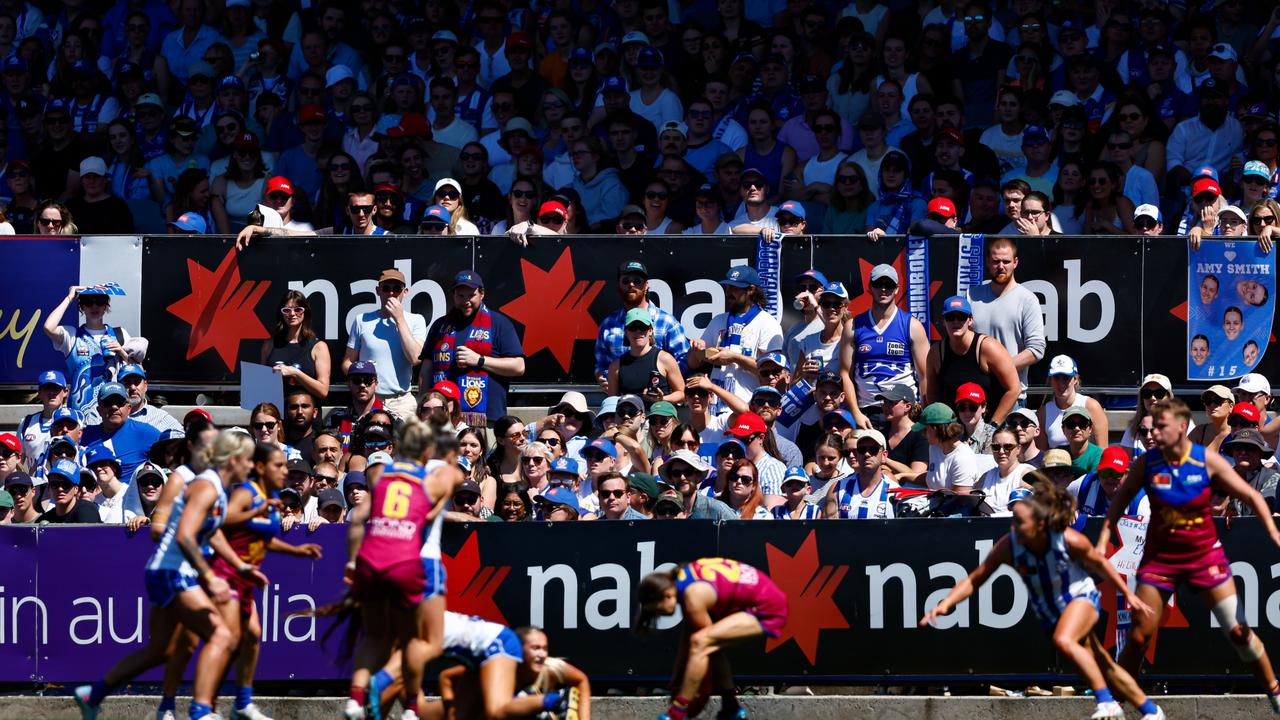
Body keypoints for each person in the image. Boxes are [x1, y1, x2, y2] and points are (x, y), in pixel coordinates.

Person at [922, 477, 1164, 720]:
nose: (1013, 527)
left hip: (1081, 597)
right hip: (1051, 612)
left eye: (1020, 522)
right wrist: (947, 603)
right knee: (1104, 664)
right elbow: (975, 580)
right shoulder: (1009, 545)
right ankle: (1151, 711)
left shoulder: (1068, 539)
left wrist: (1129, 594)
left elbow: (1101, 564)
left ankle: (1106, 702)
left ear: (1040, 525)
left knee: (1064, 639)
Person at [1095, 399, 1280, 714]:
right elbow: (1123, 496)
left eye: (1161, 427)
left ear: (1182, 428)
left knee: (1238, 631)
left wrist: (1274, 534)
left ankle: (1274, 693)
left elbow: (1250, 495)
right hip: (1160, 560)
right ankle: (1116, 702)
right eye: (1150, 428)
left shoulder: (1206, 461)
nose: (1152, 434)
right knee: (1139, 634)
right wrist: (1102, 536)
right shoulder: (1147, 463)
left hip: (1204, 557)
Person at [75, 431, 255, 720]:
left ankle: (92, 695)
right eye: (248, 461)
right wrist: (211, 577)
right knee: (222, 636)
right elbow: (184, 535)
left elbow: (213, 532)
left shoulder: (216, 488)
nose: (251, 467)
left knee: (159, 651)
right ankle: (200, 711)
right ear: (233, 460)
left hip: (163, 571)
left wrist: (239, 565)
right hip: (173, 573)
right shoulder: (206, 487)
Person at [339, 418, 463, 720]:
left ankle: (357, 698)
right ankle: (408, 704)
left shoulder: (384, 475)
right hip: (415, 561)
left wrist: (352, 561)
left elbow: (357, 518)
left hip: (373, 557)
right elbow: (437, 502)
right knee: (420, 642)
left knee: (376, 637)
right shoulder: (436, 476)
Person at [205, 443, 322, 720]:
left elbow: (265, 540)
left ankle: (242, 704)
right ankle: (203, 708)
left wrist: (296, 551)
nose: (284, 471)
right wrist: (258, 509)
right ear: (259, 467)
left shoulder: (269, 496)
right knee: (229, 640)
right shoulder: (247, 493)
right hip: (225, 574)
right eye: (278, 465)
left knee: (253, 635)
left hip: (245, 577)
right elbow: (223, 520)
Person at [636, 558, 789, 720]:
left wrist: (686, 691)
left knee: (702, 642)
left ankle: (677, 713)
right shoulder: (685, 579)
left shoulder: (692, 596)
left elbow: (700, 644)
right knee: (705, 642)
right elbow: (693, 642)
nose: (658, 615)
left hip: (768, 609)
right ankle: (731, 707)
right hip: (765, 600)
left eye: (656, 610)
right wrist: (677, 678)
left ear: (667, 595)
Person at [419, 270, 525, 428]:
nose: (466, 301)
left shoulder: (498, 323)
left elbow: (518, 367)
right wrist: (421, 407)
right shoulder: (440, 325)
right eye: (460, 296)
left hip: (486, 419)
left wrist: (479, 360)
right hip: (442, 418)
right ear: (453, 295)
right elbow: (426, 370)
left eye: (471, 295)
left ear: (482, 294)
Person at [841, 264, 929, 423]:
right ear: (869, 287)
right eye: (878, 284)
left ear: (897, 289)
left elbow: (926, 375)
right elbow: (845, 374)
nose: (883, 289)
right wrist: (856, 413)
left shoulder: (912, 326)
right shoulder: (853, 326)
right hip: (867, 412)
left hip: (904, 411)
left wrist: (922, 414)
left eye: (888, 285)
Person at [689, 265, 784, 407]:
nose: (729, 292)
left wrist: (735, 357)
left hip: (749, 404)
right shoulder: (718, 320)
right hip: (715, 405)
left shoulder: (768, 323)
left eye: (735, 288)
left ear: (751, 290)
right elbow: (693, 363)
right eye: (727, 287)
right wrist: (697, 351)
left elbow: (774, 373)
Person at [966, 237, 1046, 401]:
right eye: (996, 261)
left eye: (1006, 261)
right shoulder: (971, 296)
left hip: (1012, 397)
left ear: (1015, 262)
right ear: (988, 262)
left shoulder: (1027, 300)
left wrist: (999, 367)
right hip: (975, 398)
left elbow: (1036, 349)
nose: (1001, 267)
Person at [41, 284, 137, 420]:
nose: (94, 307)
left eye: (99, 302)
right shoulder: (72, 335)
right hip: (79, 415)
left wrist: (121, 351)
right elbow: (48, 327)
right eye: (88, 303)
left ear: (106, 306)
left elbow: (137, 370)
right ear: (81, 307)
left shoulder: (120, 334)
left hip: (112, 412)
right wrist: (70, 297)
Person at [343, 269, 427, 422]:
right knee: (368, 444)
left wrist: (399, 318)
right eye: (386, 288)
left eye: (397, 289)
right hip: (370, 400)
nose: (391, 293)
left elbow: (415, 358)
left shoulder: (416, 320)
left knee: (405, 446)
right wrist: (361, 376)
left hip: (401, 401)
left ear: (405, 292)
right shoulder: (362, 320)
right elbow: (347, 362)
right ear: (378, 290)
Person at [926, 295, 1020, 426]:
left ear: (970, 320)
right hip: (954, 431)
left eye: (961, 317)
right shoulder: (936, 352)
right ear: (943, 321)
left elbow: (1014, 389)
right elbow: (932, 393)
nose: (956, 321)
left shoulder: (988, 347)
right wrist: (943, 424)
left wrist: (993, 426)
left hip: (989, 426)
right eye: (950, 317)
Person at [80, 382, 163, 485]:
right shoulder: (83, 435)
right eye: (108, 402)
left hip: (130, 498)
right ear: (99, 410)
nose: (114, 407)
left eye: (119, 402)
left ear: (129, 408)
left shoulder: (145, 433)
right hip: (90, 496)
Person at [260, 289, 331, 401]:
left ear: (305, 312)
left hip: (305, 415)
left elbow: (323, 391)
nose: (292, 314)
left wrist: (295, 373)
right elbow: (261, 385)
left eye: (298, 309)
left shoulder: (318, 347)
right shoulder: (269, 345)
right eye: (287, 310)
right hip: (277, 414)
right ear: (281, 313)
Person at [606, 307, 685, 407]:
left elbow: (682, 393)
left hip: (658, 419)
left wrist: (662, 399)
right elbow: (612, 403)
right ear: (626, 332)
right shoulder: (616, 366)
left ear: (650, 330)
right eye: (633, 327)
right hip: (630, 419)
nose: (638, 331)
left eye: (643, 327)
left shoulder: (665, 359)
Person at [824, 429, 897, 519]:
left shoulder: (895, 491)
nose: (867, 454)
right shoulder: (837, 489)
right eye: (861, 450)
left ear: (884, 455)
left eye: (873, 450)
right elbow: (830, 529)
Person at [1219, 429, 1279, 518]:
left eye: (1250, 448)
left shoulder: (1273, 478)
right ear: (1232, 452)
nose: (1243, 452)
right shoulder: (1221, 480)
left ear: (1261, 453)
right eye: (1238, 448)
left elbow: (1262, 509)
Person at [37, 458, 103, 524]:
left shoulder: (87, 511)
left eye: (66, 485)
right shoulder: (44, 519)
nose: (60, 489)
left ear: (76, 489)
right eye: (55, 484)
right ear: (48, 488)